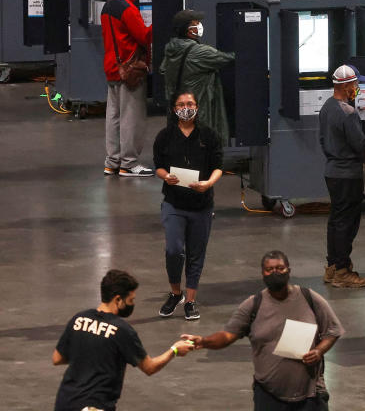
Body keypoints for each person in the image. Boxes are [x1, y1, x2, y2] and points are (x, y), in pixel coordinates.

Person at [180, 251, 343, 411]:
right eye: (269, 269)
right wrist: (204, 341)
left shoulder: (309, 298)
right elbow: (227, 335)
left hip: (310, 396)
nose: (275, 273)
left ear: (289, 270)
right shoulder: (253, 305)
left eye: (280, 268)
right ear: (262, 274)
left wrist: (319, 350)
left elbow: (333, 330)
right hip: (269, 396)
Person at [53, 269, 196, 411]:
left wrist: (88, 358)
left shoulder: (79, 318)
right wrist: (175, 350)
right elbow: (149, 367)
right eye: (131, 300)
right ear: (118, 299)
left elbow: (57, 358)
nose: (132, 304)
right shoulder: (122, 330)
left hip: (64, 401)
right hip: (94, 406)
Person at [153, 90, 223, 320]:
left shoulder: (209, 136)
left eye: (190, 103)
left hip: (202, 205)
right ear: (174, 109)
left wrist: (209, 183)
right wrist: (166, 177)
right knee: (173, 250)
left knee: (196, 253)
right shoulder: (165, 136)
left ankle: (190, 300)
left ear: (197, 107)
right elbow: (159, 166)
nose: (186, 107)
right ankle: (175, 293)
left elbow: (218, 166)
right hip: (174, 203)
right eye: (181, 104)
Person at [319, 64, 365, 288]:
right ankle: (343, 271)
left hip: (332, 172)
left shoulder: (326, 107)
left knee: (336, 221)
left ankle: (333, 267)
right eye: (356, 83)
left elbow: (323, 141)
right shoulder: (348, 112)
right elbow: (361, 145)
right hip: (348, 175)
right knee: (347, 224)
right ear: (345, 86)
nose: (358, 87)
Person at [101, 0, 153, 177]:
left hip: (112, 67)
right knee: (131, 116)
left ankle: (112, 162)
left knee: (113, 116)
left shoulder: (107, 6)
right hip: (130, 70)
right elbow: (143, 36)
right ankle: (129, 164)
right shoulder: (128, 9)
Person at [160, 8, 235, 147]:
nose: (200, 25)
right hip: (199, 107)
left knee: (183, 140)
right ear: (189, 30)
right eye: (197, 23)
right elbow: (228, 59)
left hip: (179, 106)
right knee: (200, 143)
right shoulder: (199, 52)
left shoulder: (172, 48)